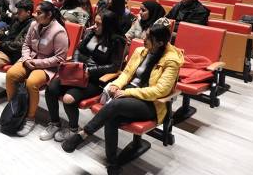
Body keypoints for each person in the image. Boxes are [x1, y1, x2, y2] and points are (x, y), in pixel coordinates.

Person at [61, 24, 184, 175]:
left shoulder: (171, 61)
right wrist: (116, 85)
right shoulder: (141, 51)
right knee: (112, 117)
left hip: (151, 104)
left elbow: (160, 90)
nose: (143, 39)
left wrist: (128, 92)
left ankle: (84, 134)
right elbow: (126, 73)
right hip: (128, 96)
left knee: (116, 105)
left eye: (148, 38)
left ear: (159, 43)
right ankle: (113, 162)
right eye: (145, 35)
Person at [41, 10, 125, 142]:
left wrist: (90, 71)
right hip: (76, 73)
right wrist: (74, 63)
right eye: (94, 22)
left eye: (99, 24)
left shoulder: (117, 41)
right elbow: (78, 49)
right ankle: (55, 123)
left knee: (68, 98)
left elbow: (115, 66)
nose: (94, 26)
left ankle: (73, 129)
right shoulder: (91, 33)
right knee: (51, 89)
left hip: (95, 80)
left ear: (108, 26)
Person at [5, 1, 68, 136]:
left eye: (39, 13)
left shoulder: (59, 32)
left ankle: (30, 118)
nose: (35, 15)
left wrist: (37, 63)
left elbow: (60, 59)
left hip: (47, 66)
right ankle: (13, 111)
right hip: (30, 60)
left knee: (31, 82)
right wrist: (27, 58)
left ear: (49, 14)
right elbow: (26, 45)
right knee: (11, 74)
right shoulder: (34, 24)